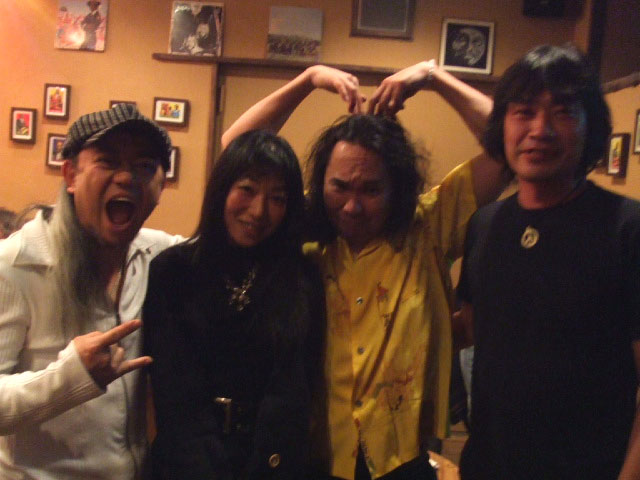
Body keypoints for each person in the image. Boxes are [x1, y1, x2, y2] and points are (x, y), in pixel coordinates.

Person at [221, 63, 509, 479]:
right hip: (315, 456)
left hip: (403, 460)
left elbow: (507, 148)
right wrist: (306, 80)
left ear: (397, 188)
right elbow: (236, 151)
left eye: (371, 190)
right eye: (339, 186)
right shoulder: (303, 232)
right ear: (321, 182)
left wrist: (435, 77)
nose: (352, 206)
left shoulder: (428, 227)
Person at [456, 44, 640, 479]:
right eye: (524, 112)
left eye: (562, 112)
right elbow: (474, 330)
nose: (540, 130)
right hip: (487, 467)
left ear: (590, 127)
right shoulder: (485, 224)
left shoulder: (627, 228)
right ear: (502, 125)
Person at [0, 104, 183, 478]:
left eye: (144, 166)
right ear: (70, 174)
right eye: (108, 161)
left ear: (161, 187)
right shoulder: (15, 264)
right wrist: (70, 377)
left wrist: (304, 81)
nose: (126, 177)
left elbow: (234, 226)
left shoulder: (158, 255)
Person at [143, 129, 325, 478]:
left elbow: (293, 390)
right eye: (247, 190)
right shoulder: (174, 271)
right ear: (222, 189)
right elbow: (174, 392)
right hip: (187, 466)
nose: (259, 211)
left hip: (271, 467)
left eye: (277, 198)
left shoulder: (301, 278)